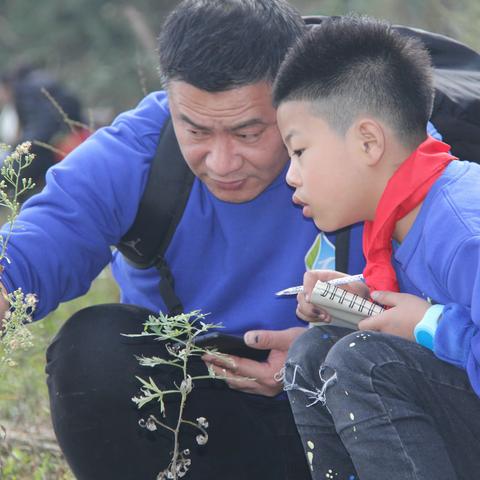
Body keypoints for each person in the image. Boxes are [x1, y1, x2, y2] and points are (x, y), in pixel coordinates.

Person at [0, 2, 366, 479]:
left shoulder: (369, 141)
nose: (221, 162)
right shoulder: (138, 150)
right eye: (195, 129)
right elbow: (40, 241)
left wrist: (321, 354)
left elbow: (445, 304)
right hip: (194, 403)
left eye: (248, 131)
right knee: (92, 349)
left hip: (342, 404)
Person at [273, 15, 480, 480]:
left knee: (363, 362)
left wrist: (429, 325)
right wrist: (364, 296)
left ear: (368, 142)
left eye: (299, 151)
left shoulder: (466, 229)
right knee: (312, 355)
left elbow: (439, 322)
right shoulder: (402, 219)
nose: (290, 175)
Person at [0, 64, 90, 197]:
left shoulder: (26, 91)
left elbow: (41, 128)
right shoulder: (33, 82)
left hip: (61, 145)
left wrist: (20, 147)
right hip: (72, 137)